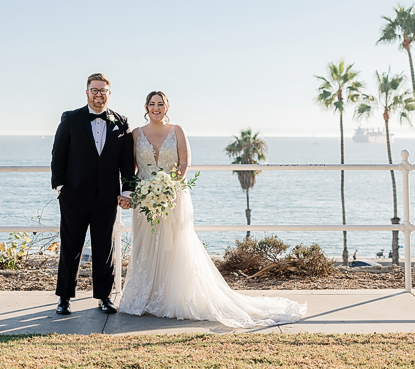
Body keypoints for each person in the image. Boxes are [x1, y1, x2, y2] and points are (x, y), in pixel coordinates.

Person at [119, 91, 306, 328]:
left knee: (175, 246)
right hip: (146, 198)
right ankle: (144, 297)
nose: (156, 108)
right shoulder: (136, 134)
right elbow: (131, 167)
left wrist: (167, 187)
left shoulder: (177, 130)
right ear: (145, 106)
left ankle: (172, 297)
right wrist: (136, 192)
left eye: (161, 104)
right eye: (152, 104)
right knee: (146, 244)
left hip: (173, 195)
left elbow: (184, 162)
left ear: (167, 106)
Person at [51, 73, 135, 315]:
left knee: (104, 248)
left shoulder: (122, 122)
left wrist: (127, 189)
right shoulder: (71, 118)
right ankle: (64, 298)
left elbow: (126, 163)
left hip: (106, 197)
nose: (99, 94)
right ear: (87, 92)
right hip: (73, 195)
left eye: (103, 90)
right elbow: (58, 153)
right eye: (94, 90)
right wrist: (60, 186)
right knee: (70, 247)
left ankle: (104, 297)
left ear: (109, 93)